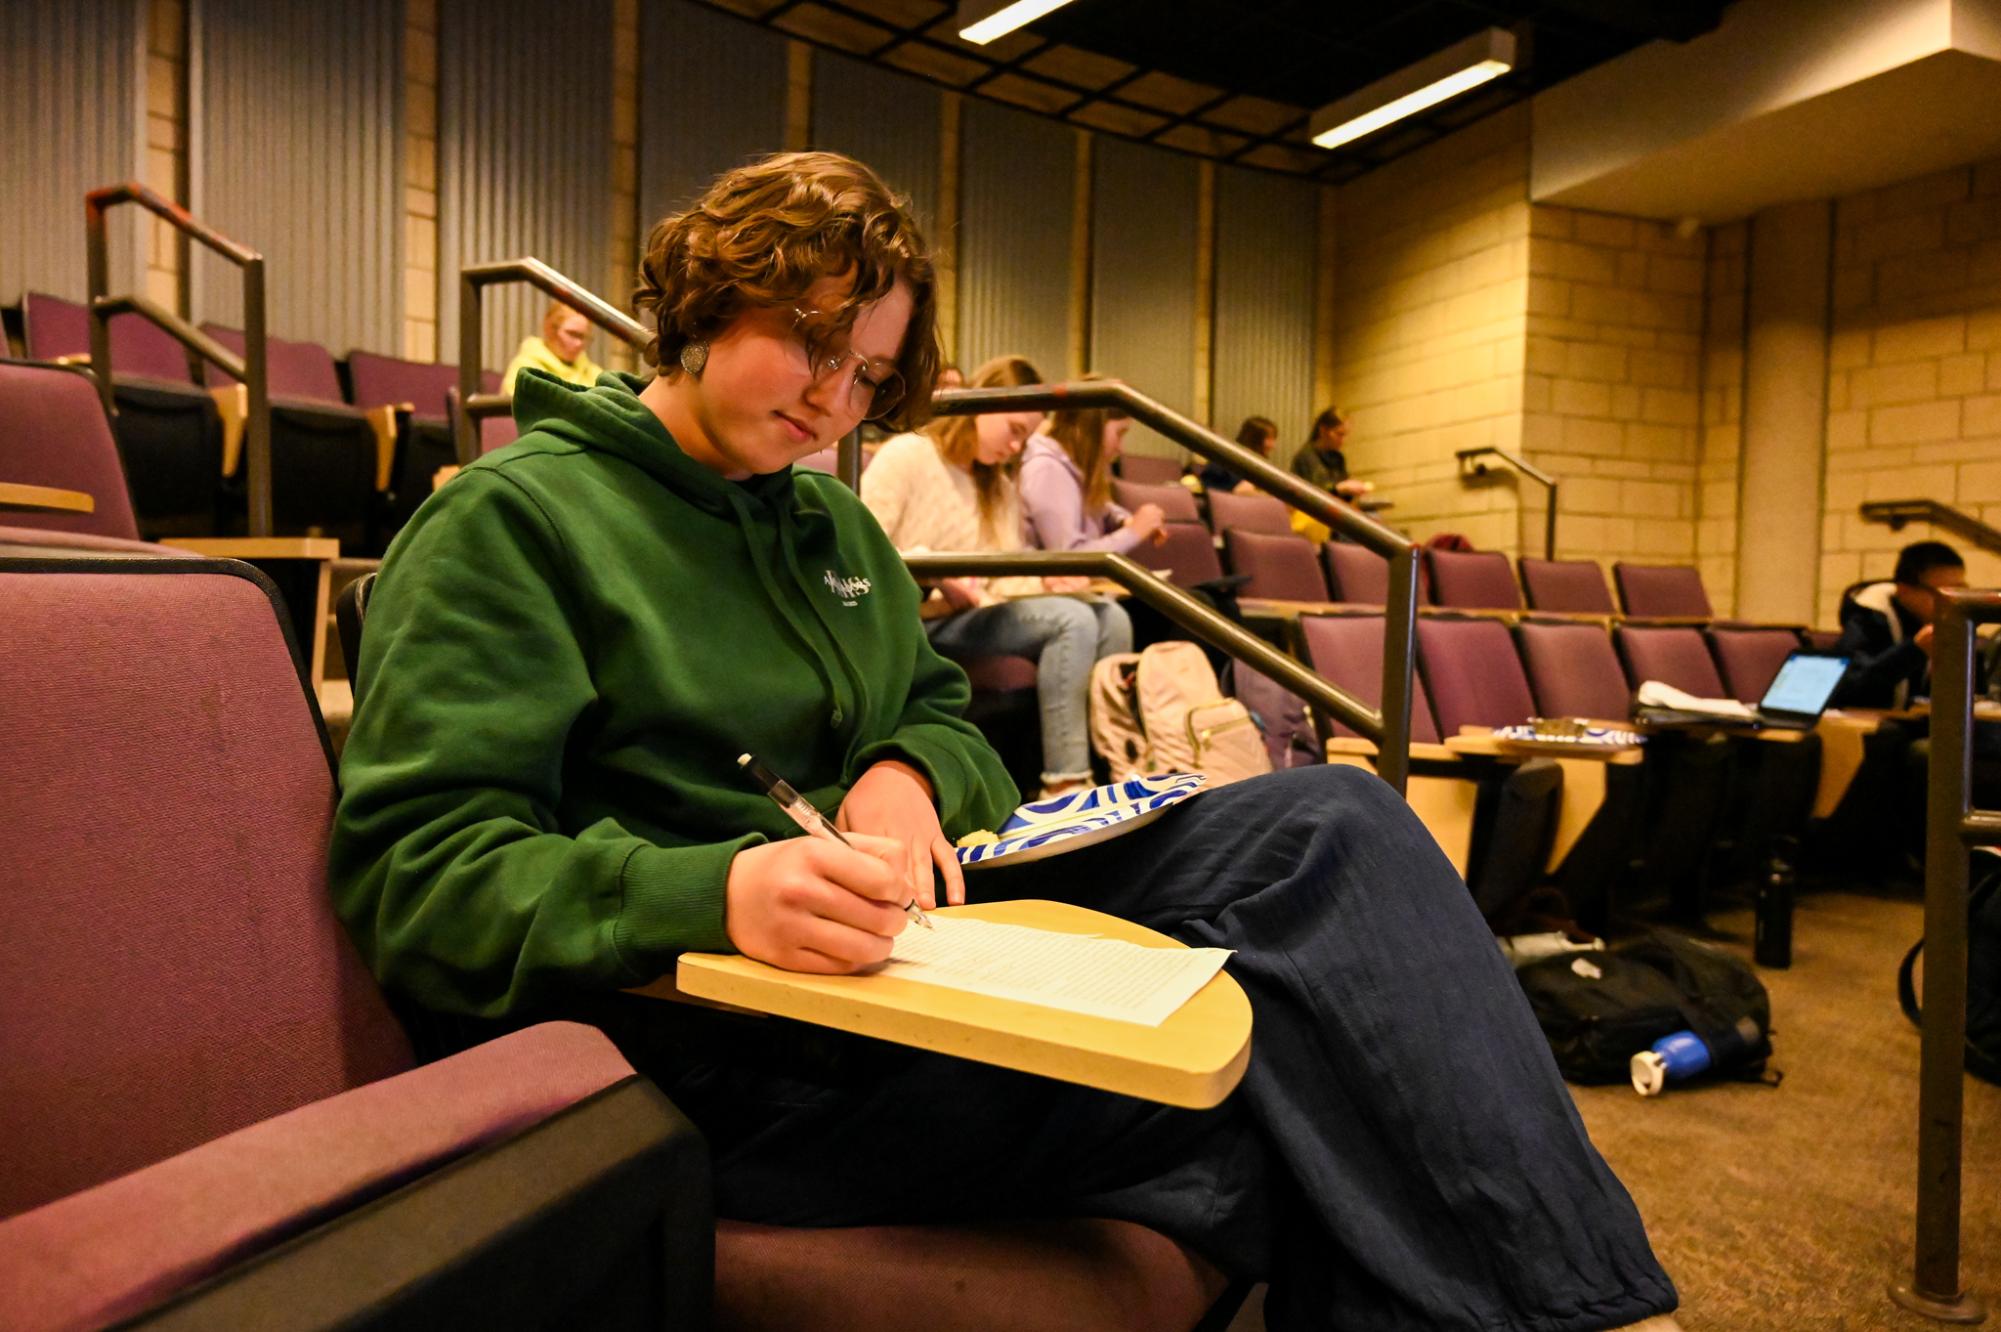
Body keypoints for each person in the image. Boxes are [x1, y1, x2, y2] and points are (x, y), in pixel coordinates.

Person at [329, 149, 1678, 1332]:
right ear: (698, 304)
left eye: (866, 375)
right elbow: (417, 876)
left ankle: (1578, 1313)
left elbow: (937, 710)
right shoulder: (515, 521)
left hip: (896, 949)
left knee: (1332, 824)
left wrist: (911, 773)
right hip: (720, 1035)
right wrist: (713, 888)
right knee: (1303, 1047)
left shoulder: (835, 527)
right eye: (809, 344)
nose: (833, 405)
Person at [861, 355, 1132, 799]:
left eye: (1025, 439)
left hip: (974, 613)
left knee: (1110, 615)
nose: (1015, 449)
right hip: (919, 615)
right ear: (982, 406)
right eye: (1014, 431)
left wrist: (1045, 583)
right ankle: (1064, 781)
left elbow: (1001, 578)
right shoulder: (907, 455)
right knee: (1073, 621)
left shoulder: (998, 487)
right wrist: (932, 570)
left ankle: (1107, 763)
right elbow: (865, 546)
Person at [1019, 380, 1167, 555]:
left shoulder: (1071, 466)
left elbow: (1100, 506)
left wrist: (1124, 520)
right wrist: (1133, 532)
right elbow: (1069, 557)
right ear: (1090, 428)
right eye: (1119, 433)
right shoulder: (1047, 469)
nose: (1121, 447)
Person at [1831, 540, 1967, 709]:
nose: (1950, 602)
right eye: (1941, 593)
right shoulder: (1868, 618)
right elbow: (1849, 688)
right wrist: (1915, 650)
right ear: (1904, 590)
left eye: (1959, 591)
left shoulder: (1948, 622)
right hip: (1872, 726)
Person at [501, 300, 602, 392]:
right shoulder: (526, 368)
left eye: (584, 337)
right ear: (550, 329)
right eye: (572, 334)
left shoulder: (593, 372)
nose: (579, 343)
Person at [1290, 406, 1370, 500]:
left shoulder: (1338, 458)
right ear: (1323, 430)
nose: (1343, 440)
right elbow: (1314, 495)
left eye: (1345, 435)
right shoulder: (1306, 457)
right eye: (1339, 434)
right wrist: (1341, 488)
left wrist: (1353, 490)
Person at [1199, 414, 1278, 495]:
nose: (1273, 446)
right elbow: (1209, 492)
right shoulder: (1223, 461)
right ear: (1254, 438)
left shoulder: (1262, 465)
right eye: (1269, 439)